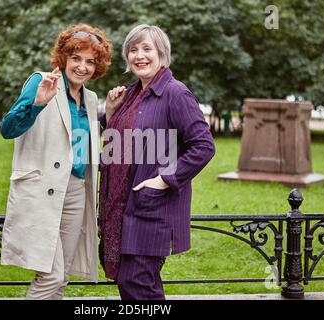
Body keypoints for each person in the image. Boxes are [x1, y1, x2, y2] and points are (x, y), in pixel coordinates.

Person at [98, 24, 215, 300]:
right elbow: (119, 142)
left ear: (162, 54)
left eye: (147, 49)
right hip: (123, 209)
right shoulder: (131, 94)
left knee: (137, 285)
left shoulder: (175, 93)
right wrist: (110, 114)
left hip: (152, 209)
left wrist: (164, 179)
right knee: (138, 285)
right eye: (133, 49)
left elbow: (204, 146)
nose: (139, 55)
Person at [0, 23, 112, 300]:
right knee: (52, 275)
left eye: (90, 62)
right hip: (41, 192)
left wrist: (108, 114)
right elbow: (8, 128)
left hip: (75, 191)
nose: (82, 67)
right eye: (76, 59)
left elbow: (81, 144)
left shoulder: (90, 98)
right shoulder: (42, 81)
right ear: (63, 58)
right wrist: (37, 104)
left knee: (61, 279)